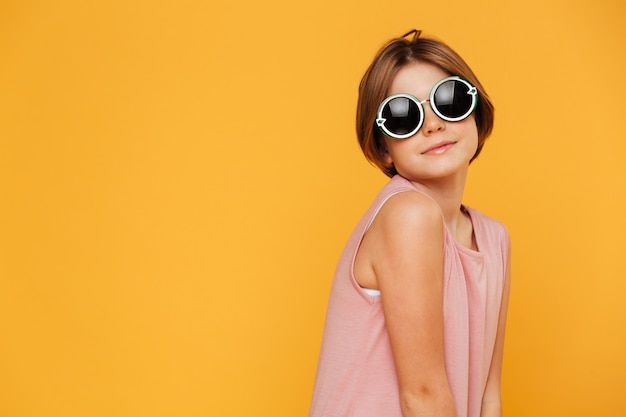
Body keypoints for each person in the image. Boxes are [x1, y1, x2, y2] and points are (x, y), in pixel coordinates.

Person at [309, 29, 511, 417]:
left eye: (449, 100)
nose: (433, 125)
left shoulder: (494, 238)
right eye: (403, 116)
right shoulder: (409, 215)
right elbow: (422, 396)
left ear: (475, 110)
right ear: (383, 148)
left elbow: (489, 396)